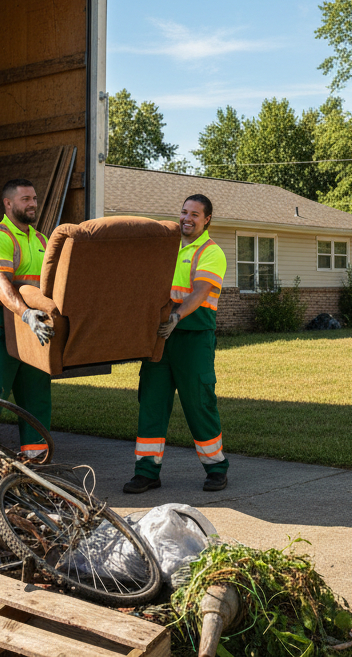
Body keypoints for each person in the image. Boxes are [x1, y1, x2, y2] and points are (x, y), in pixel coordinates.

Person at [124, 194, 229, 493]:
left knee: (199, 402)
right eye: (184, 212)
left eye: (195, 214)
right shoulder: (165, 248)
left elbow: (199, 291)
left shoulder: (211, 252)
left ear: (206, 220)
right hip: (159, 338)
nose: (187, 218)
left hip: (193, 339)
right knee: (152, 403)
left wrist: (176, 316)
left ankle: (216, 468)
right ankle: (146, 472)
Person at [0, 178, 55, 458]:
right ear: (8, 204)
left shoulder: (42, 240)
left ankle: (37, 463)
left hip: (32, 332)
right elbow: (0, 284)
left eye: (34, 198)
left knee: (36, 400)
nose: (32, 204)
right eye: (25, 199)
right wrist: (26, 313)